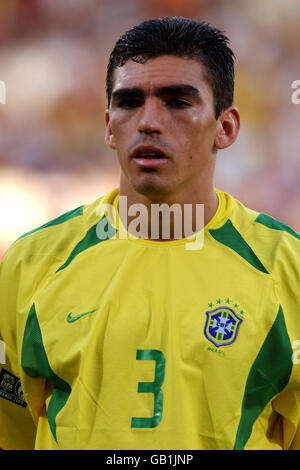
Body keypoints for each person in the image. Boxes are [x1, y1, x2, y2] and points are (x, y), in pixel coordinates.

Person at [0, 16, 299, 451]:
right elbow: (13, 431)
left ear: (226, 127)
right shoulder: (32, 263)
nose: (148, 122)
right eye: (129, 102)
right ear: (107, 126)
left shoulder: (285, 268)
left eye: (177, 102)